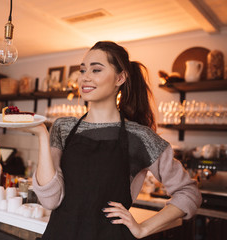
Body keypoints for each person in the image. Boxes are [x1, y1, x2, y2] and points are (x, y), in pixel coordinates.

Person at [19, 41, 201, 239]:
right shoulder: (63, 127)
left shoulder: (140, 137)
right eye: (82, 70)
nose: (84, 78)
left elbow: (189, 193)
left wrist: (143, 228)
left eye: (96, 70)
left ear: (120, 78)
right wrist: (41, 135)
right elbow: (50, 200)